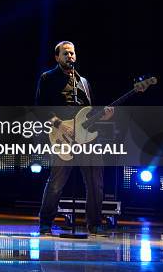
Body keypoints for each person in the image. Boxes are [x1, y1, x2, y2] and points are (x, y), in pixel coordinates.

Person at [36, 41, 113, 236]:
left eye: (72, 53)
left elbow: (88, 112)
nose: (70, 56)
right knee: (56, 182)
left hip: (87, 138)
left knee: (96, 180)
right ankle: (45, 223)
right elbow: (40, 109)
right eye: (65, 53)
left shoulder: (83, 82)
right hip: (62, 136)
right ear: (57, 57)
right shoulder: (48, 78)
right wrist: (60, 125)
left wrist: (102, 116)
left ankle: (94, 223)